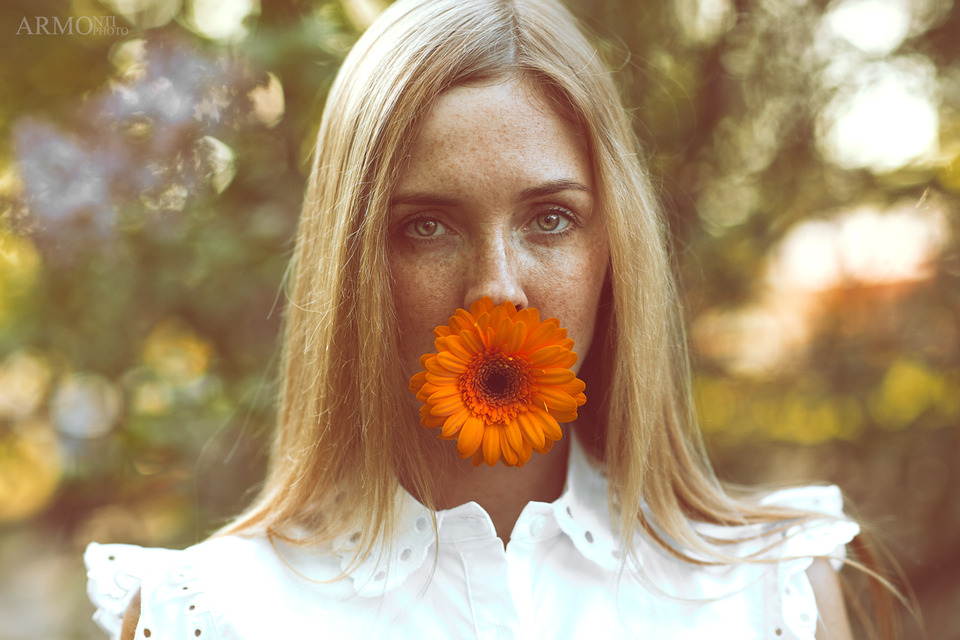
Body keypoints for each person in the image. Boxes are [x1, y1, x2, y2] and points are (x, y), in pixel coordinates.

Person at [84, 0, 895, 637]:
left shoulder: (766, 593)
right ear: (352, 263)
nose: (496, 291)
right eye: (426, 227)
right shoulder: (209, 614)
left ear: (616, 246)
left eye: (550, 219)